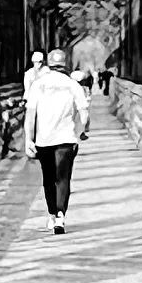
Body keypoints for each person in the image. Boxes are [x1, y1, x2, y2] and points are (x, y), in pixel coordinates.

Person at [25, 48, 90, 235]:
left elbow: (30, 114)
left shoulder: (38, 84)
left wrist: (29, 139)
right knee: (63, 178)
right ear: (65, 64)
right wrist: (83, 132)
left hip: (43, 139)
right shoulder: (73, 85)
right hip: (66, 138)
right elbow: (84, 114)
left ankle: (52, 214)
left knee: (48, 179)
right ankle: (61, 215)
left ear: (48, 64)